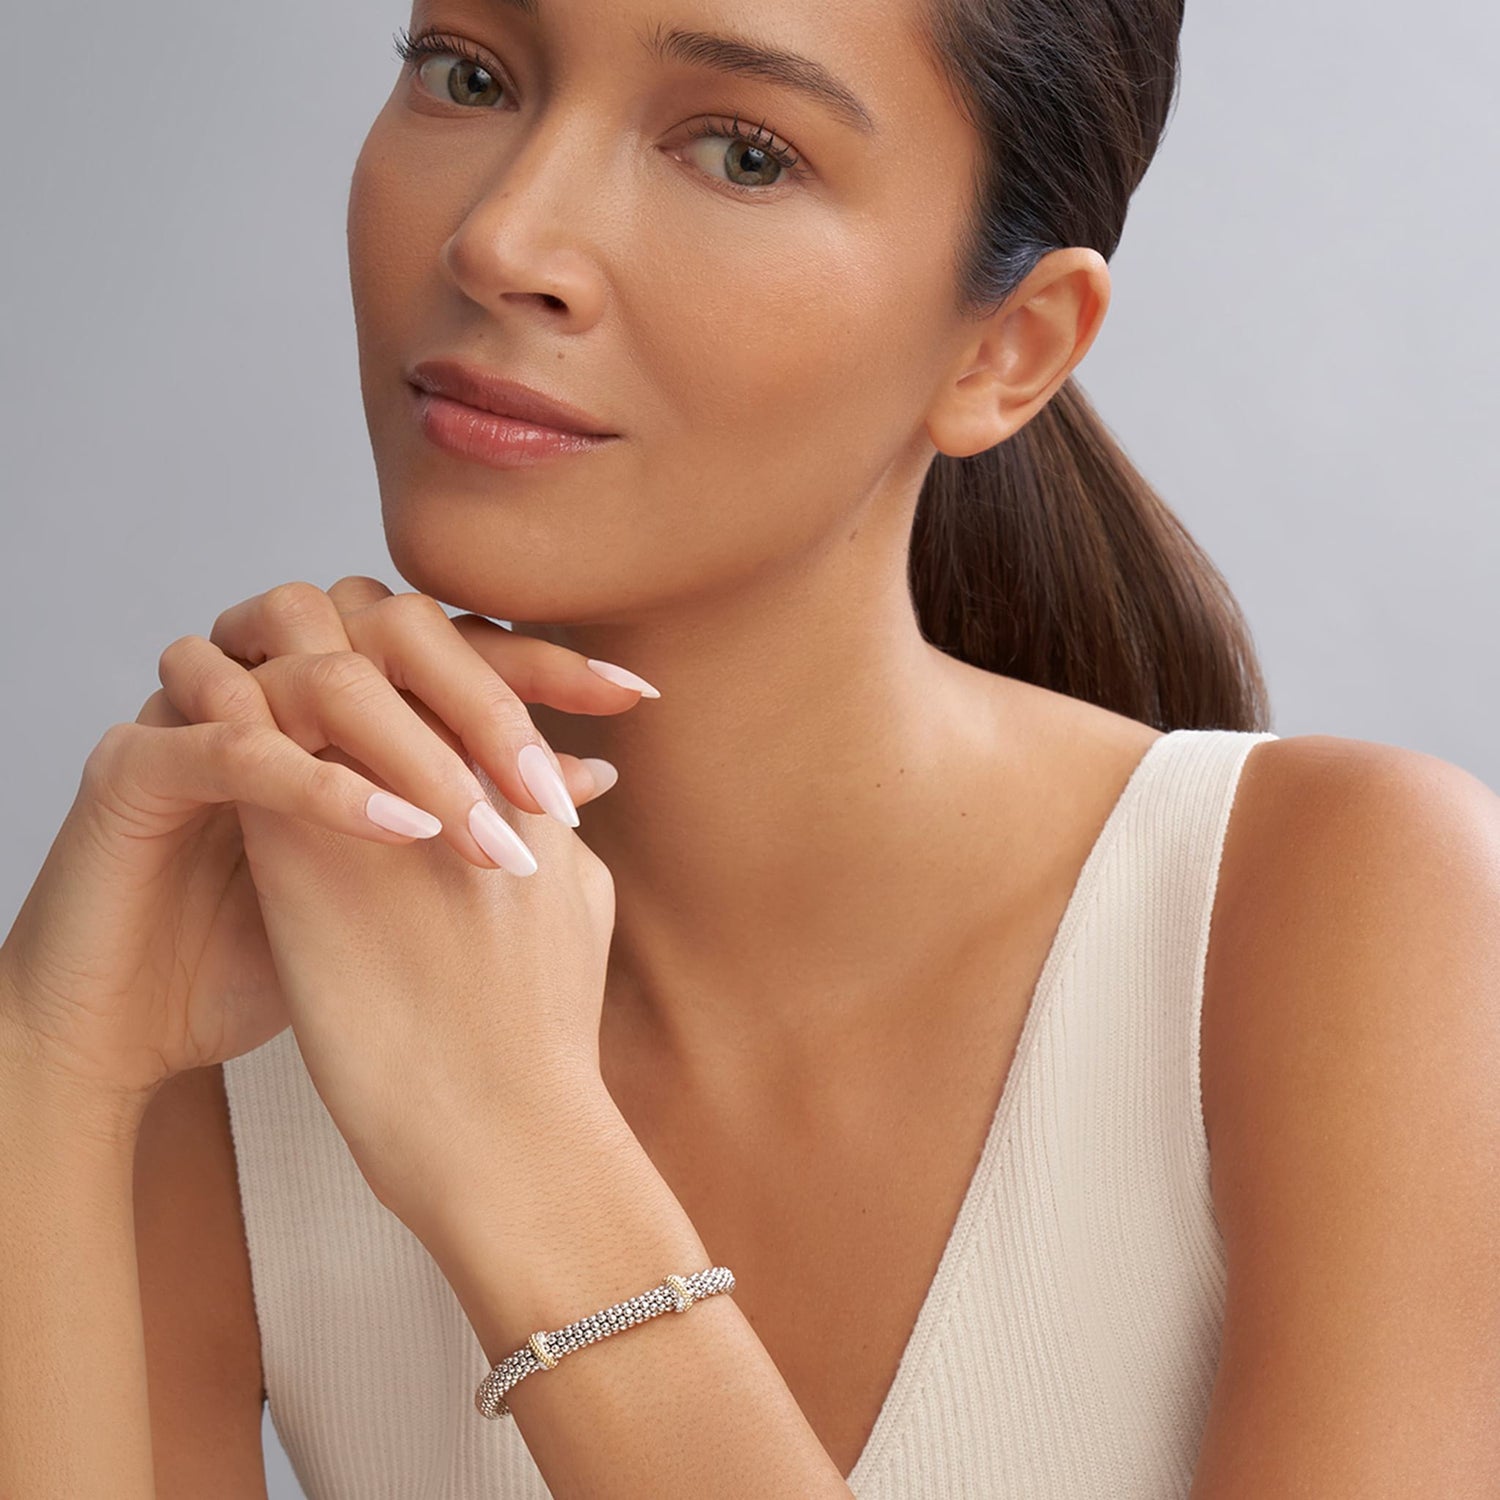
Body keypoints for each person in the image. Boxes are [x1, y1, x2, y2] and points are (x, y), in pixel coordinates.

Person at [2, 0, 1497, 1494]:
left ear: (1007, 346)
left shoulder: (1351, 914)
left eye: (743, 155)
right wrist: (52, 1060)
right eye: (469, 74)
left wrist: (521, 1153)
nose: (502, 239)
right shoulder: (249, 957)